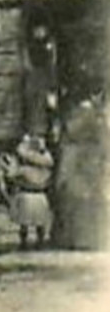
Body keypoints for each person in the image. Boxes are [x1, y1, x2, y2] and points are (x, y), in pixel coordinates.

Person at [50, 97, 106, 250]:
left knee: (80, 199)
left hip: (82, 159)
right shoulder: (89, 114)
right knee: (73, 199)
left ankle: (82, 239)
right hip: (78, 160)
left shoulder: (87, 115)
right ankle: (74, 239)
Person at [0, 133, 54, 250]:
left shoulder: (24, 170)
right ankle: (40, 241)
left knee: (24, 223)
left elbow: (11, 176)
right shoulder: (46, 172)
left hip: (26, 195)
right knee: (40, 222)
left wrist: (6, 167)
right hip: (41, 196)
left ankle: (24, 242)